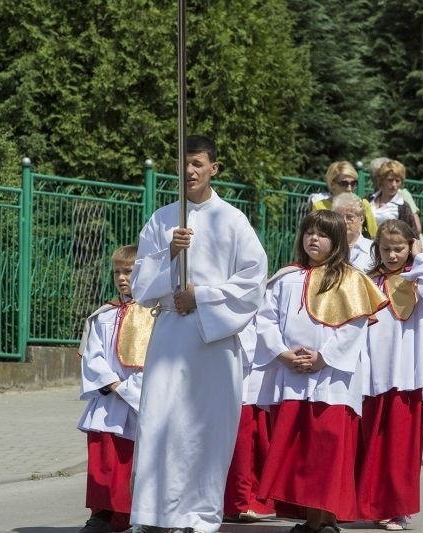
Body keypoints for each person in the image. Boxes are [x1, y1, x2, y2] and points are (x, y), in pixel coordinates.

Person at [130, 135, 268, 532]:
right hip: (171, 333)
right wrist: (169, 253)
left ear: (213, 168)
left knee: (204, 429)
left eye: (196, 163)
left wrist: (202, 297)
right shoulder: (162, 219)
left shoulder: (233, 220)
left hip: (213, 341)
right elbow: (140, 286)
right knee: (160, 422)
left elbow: (252, 283)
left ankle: (199, 515)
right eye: (183, 163)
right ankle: (152, 514)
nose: (188, 171)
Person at [253, 210, 387, 533]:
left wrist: (323, 358)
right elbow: (266, 320)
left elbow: (354, 326)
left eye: (323, 234)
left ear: (337, 241)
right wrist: (283, 354)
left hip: (333, 381)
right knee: (299, 451)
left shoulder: (351, 279)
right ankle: (313, 521)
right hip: (293, 378)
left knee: (327, 450)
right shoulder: (286, 278)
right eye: (309, 232)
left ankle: (322, 520)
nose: (314, 239)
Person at [359, 220, 423, 531]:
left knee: (399, 446)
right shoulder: (369, 280)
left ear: (410, 246)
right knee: (371, 441)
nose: (393, 255)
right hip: (371, 375)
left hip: (407, 375)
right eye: (386, 249)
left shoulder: (419, 281)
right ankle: (369, 505)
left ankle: (397, 508)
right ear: (377, 249)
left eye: (399, 249)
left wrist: (420, 254)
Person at [77, 245, 149, 533]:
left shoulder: (157, 313)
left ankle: (137, 517)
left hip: (141, 400)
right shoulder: (104, 315)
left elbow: (160, 358)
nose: (121, 278)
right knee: (104, 462)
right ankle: (102, 515)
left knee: (134, 461)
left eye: (128, 271)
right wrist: (113, 384)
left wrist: (131, 389)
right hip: (109, 400)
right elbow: (92, 356)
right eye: (117, 272)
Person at [222, 320, 275, 523]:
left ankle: (249, 500)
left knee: (253, 434)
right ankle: (238, 501)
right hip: (234, 359)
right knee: (239, 437)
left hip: (259, 363)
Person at [310, 161, 378, 238]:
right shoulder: (320, 206)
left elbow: (374, 236)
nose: (349, 188)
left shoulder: (363, 204)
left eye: (353, 183)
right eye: (344, 183)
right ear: (332, 184)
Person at [369, 157, 422, 235]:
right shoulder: (368, 200)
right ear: (382, 180)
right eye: (390, 180)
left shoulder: (403, 207)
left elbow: (414, 232)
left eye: (397, 181)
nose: (394, 185)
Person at [332, 192, 373, 272]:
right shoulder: (328, 248)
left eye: (350, 217)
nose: (344, 221)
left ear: (361, 219)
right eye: (339, 217)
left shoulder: (373, 249)